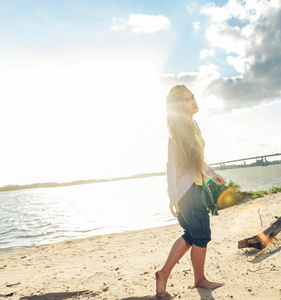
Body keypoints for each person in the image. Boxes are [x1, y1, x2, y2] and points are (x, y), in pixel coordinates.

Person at [156, 84, 224, 298]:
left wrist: (212, 174)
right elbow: (171, 166)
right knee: (201, 235)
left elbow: (198, 159)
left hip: (195, 188)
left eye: (192, 96)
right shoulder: (177, 132)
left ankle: (164, 273)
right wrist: (173, 196)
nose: (193, 101)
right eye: (186, 99)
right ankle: (200, 279)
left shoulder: (193, 126)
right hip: (189, 192)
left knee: (191, 235)